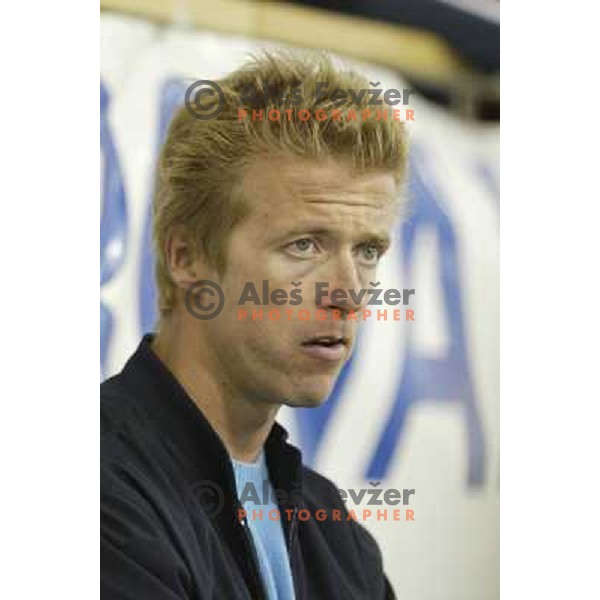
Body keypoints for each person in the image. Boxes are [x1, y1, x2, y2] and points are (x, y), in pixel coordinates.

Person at [101, 50, 408, 599]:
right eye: (304, 245)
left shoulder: (332, 531)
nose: (347, 292)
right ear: (187, 257)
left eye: (366, 250)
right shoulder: (96, 493)